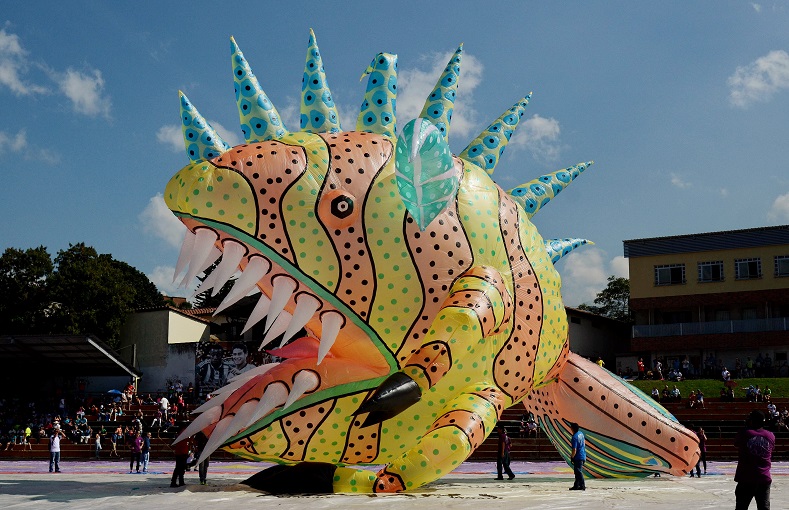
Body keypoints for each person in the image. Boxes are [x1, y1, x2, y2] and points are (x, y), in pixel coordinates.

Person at [734, 410, 774, 510]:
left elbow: (736, 444)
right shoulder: (771, 435)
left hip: (746, 478)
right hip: (764, 477)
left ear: (751, 421)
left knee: (741, 507)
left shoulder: (744, 433)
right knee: (764, 507)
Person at [567, 422, 586, 490]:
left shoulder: (574, 437)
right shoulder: (581, 434)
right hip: (583, 455)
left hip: (578, 456)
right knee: (577, 471)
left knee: (578, 471)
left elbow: (574, 449)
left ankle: (582, 485)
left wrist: (572, 457)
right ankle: (576, 485)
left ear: (572, 428)